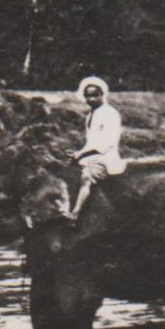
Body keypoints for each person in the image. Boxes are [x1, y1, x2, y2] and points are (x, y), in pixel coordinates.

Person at [62, 76, 128, 223]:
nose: (91, 99)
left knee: (87, 176)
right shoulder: (91, 115)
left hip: (106, 156)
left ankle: (75, 214)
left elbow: (106, 143)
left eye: (95, 95)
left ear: (102, 95)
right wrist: (76, 154)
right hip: (91, 155)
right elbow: (91, 142)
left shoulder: (110, 113)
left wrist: (81, 154)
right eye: (88, 96)